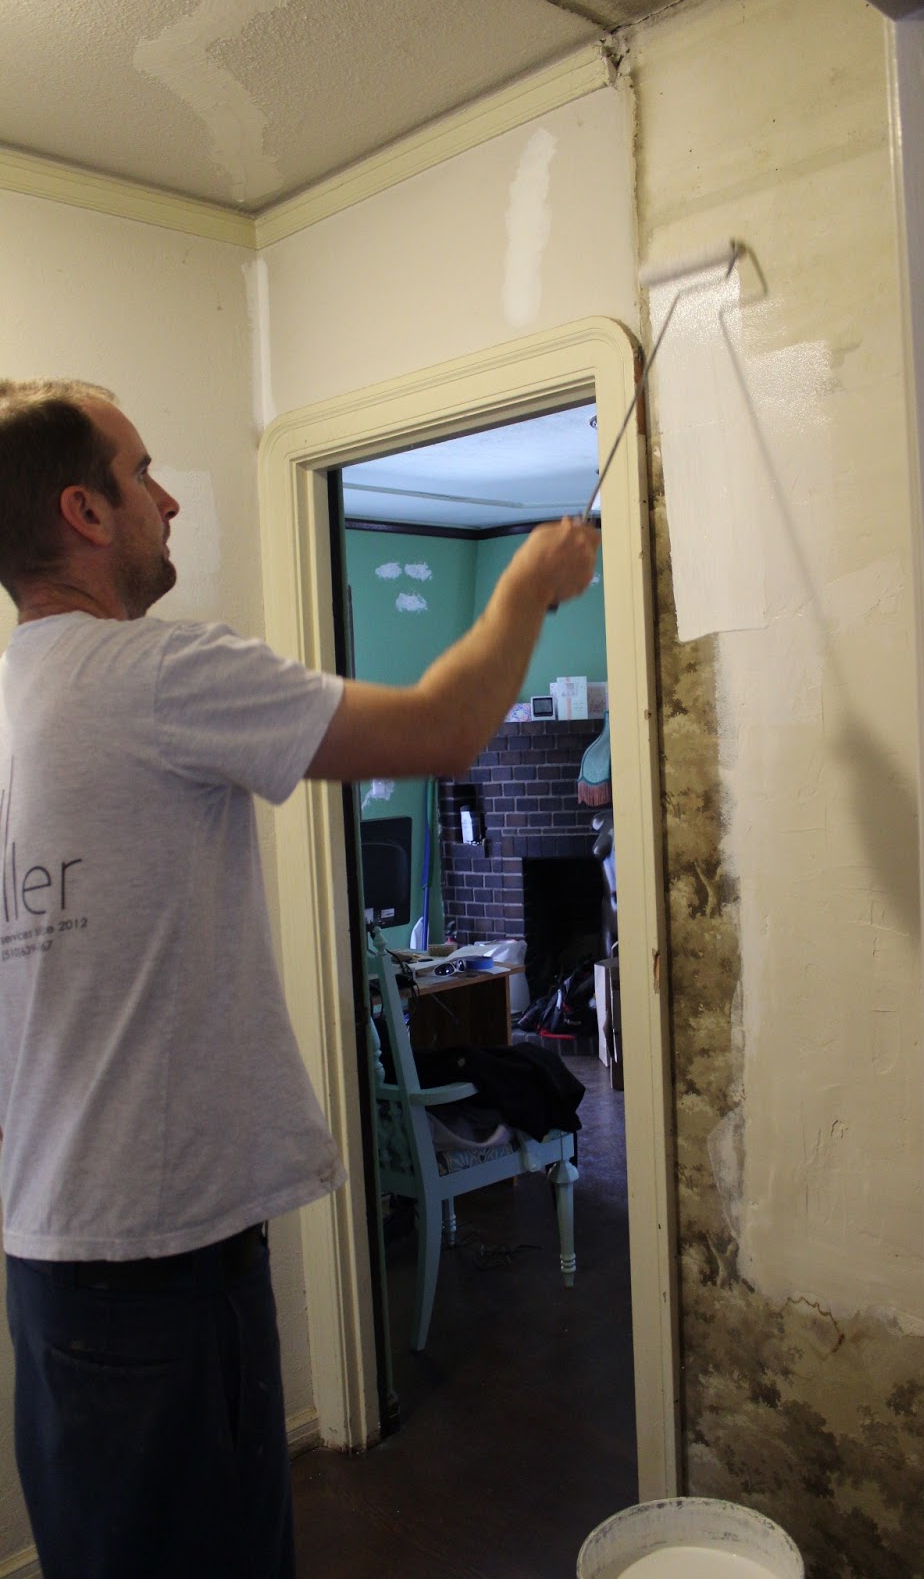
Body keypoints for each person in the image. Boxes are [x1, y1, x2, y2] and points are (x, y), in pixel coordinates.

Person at [0, 377, 599, 1579]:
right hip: (162, 1264)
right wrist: (528, 587)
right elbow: (439, 728)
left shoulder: (16, 702)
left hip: (50, 1255)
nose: (168, 500)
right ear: (84, 511)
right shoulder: (153, 676)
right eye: (142, 473)